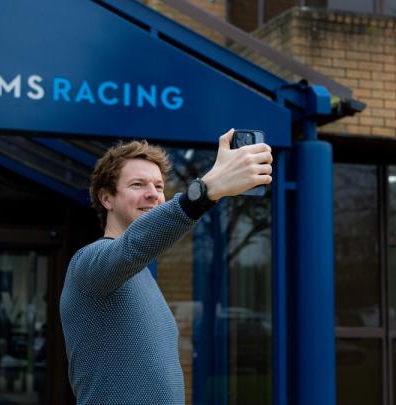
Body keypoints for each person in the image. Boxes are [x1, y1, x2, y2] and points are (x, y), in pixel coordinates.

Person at [59, 129, 272, 405]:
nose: (153, 195)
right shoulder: (88, 264)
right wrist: (205, 192)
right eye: (138, 185)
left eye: (159, 187)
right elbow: (131, 247)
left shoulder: (141, 274)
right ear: (106, 199)